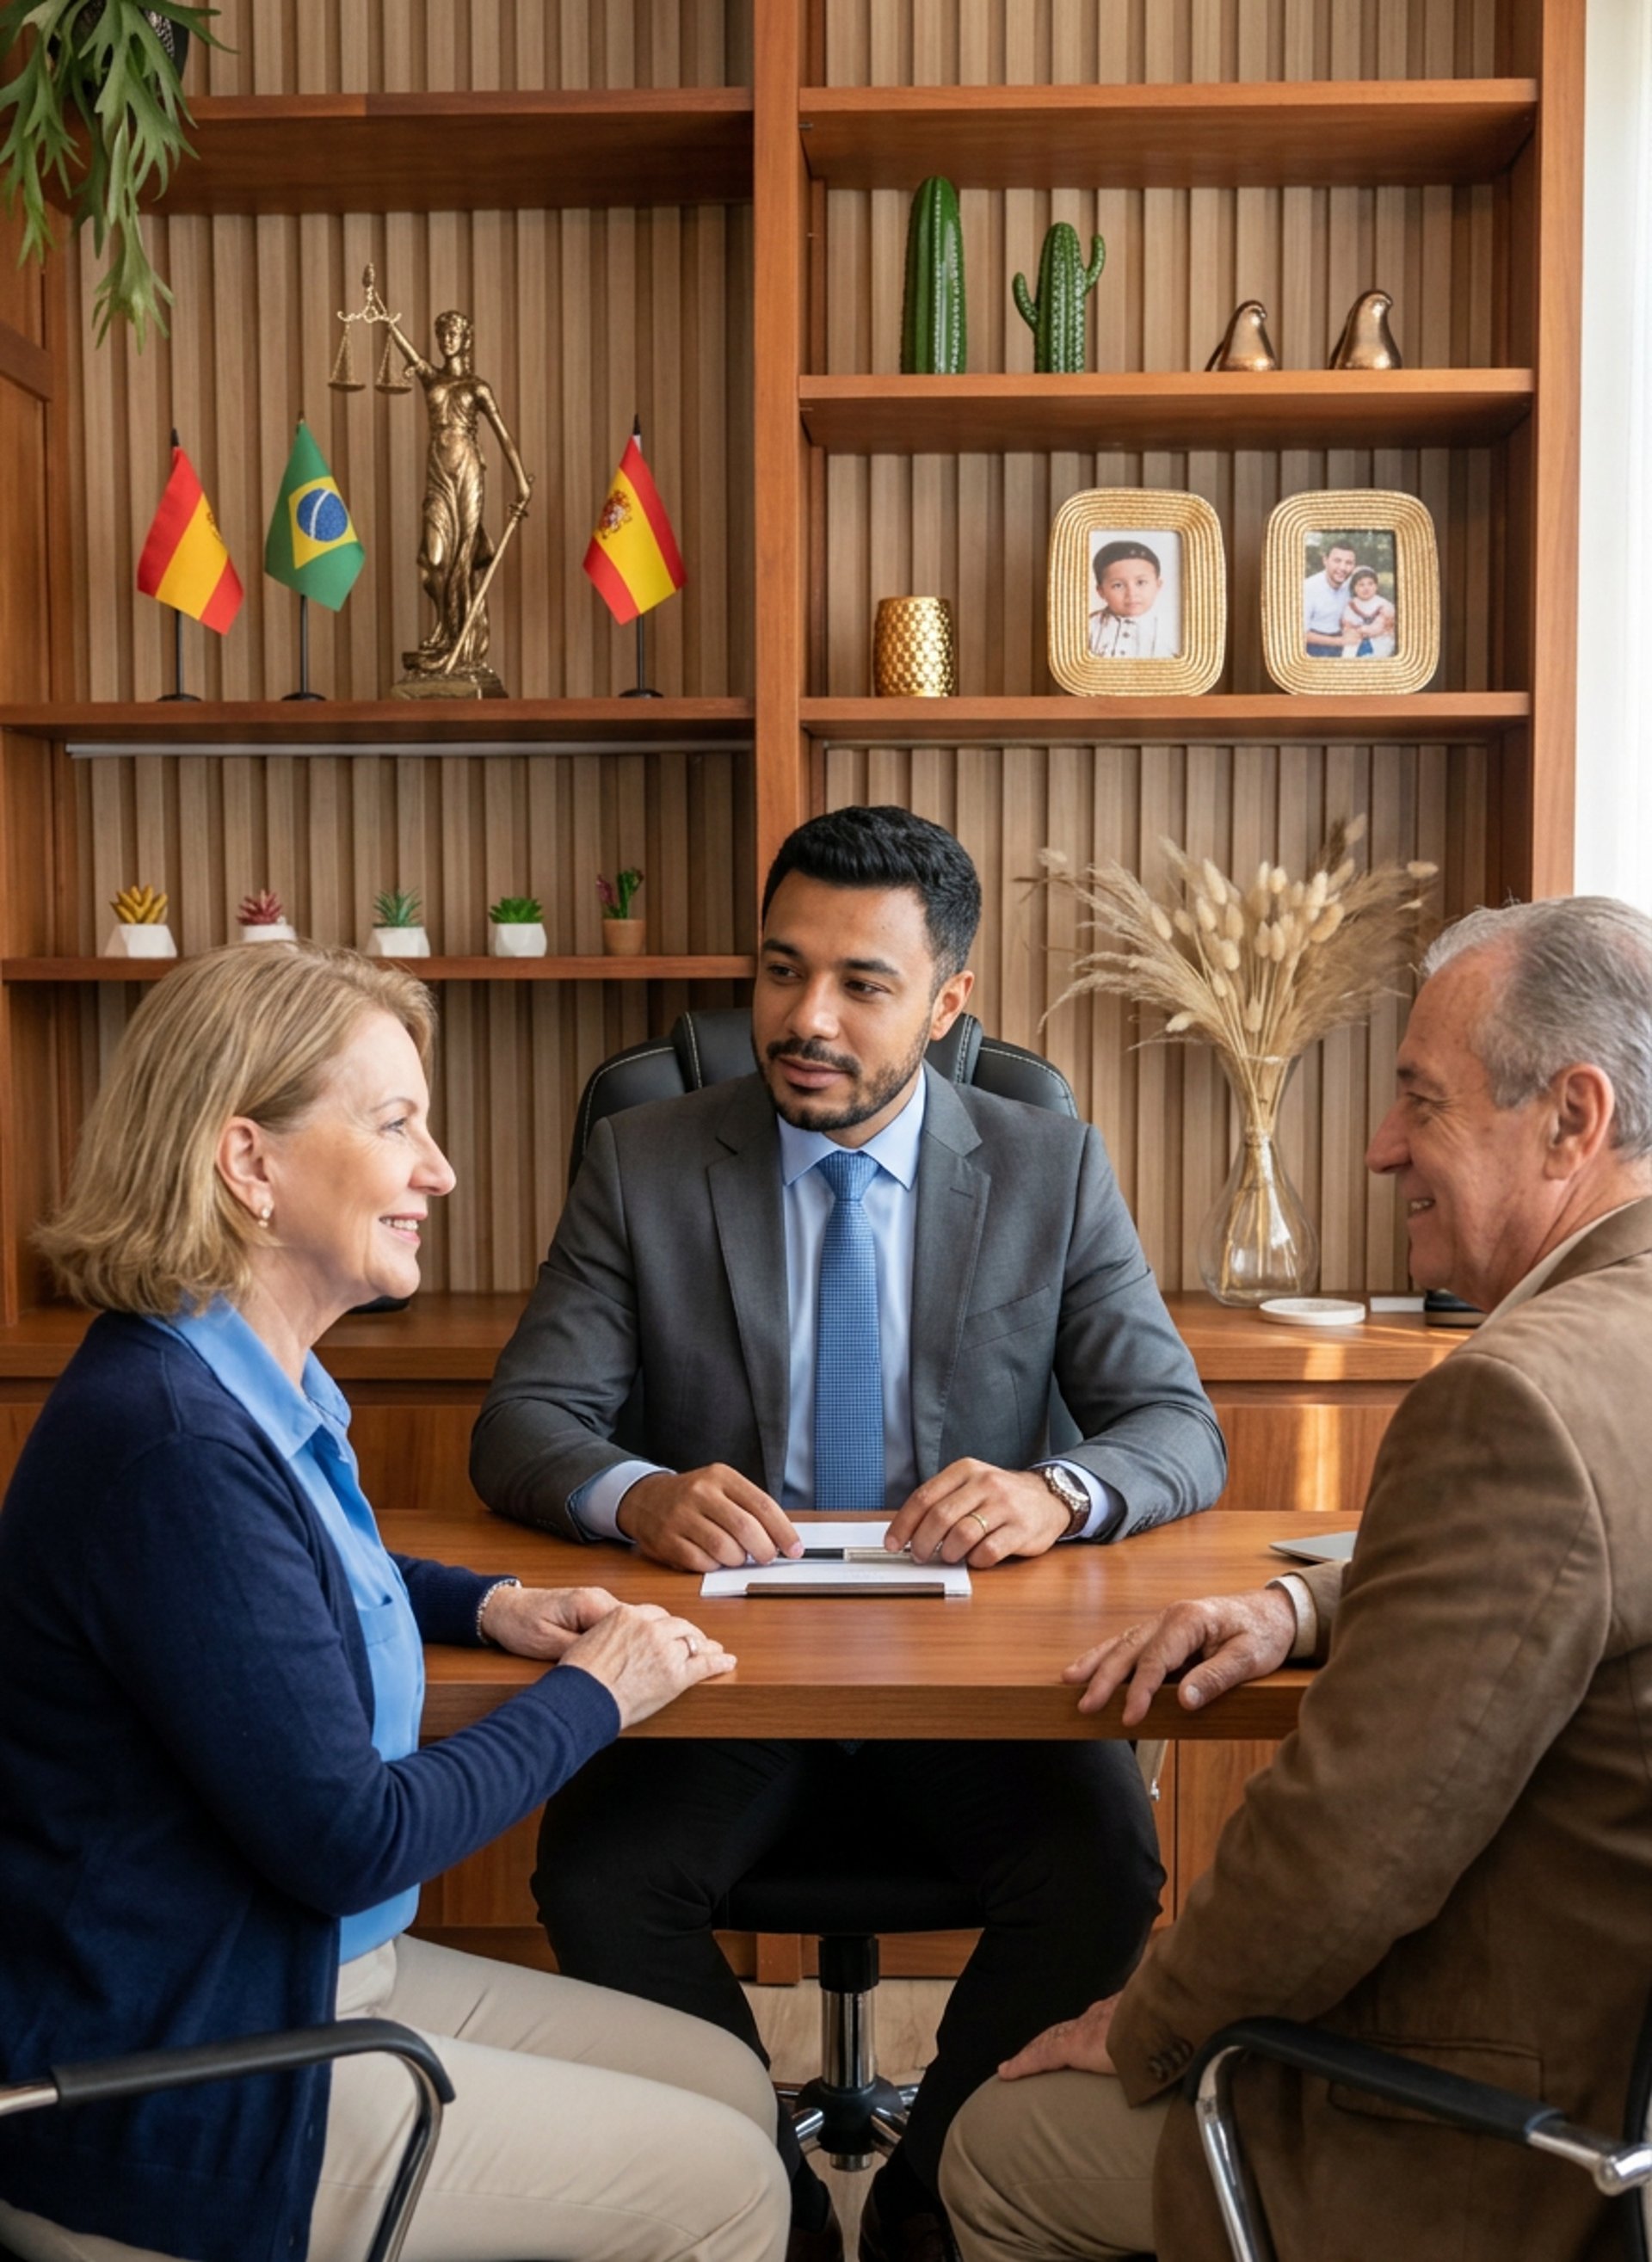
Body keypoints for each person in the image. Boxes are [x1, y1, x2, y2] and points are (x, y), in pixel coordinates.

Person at [471, 806, 1228, 2262]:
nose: (806, 1018)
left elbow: (1173, 1424)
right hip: (728, 1673)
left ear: (950, 1005)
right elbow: (525, 1418)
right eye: (779, 970)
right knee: (596, 1875)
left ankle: (936, 2192)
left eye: (862, 984)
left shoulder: (1048, 1164)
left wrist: (1050, 1491)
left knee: (1105, 1868)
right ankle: (763, 2196)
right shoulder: (645, 1157)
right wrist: (637, 1490)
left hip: (969, 1673)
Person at [0, 944, 789, 2262]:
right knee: (723, 2185)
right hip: (186, 2076)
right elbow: (355, 1838)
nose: (441, 1171)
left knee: (732, 2083)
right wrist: (597, 1696)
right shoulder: (176, 1443)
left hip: (289, 1969)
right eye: (395, 1125)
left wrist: (487, 1605)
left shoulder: (231, 1376)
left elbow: (267, 1584)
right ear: (248, 1164)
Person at [940, 895, 1652, 2262]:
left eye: (1420, 1103)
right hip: (1618, 2064)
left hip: (1507, 2128)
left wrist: (1144, 2026)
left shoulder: (1520, 1401)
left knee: (999, 2146)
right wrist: (1299, 1601)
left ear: (1572, 1116)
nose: (1383, 1150)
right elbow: (1573, 1572)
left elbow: (1346, 1860)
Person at [377, 299, 533, 691]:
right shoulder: (432, 379)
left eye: (454, 334)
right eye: (442, 334)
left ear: (467, 340)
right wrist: (381, 311)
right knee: (432, 561)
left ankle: (462, 650)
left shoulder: (476, 387)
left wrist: (521, 483)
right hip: (438, 474)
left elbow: (503, 436)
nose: (447, 339)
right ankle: (445, 634)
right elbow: (407, 348)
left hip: (467, 472)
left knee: (463, 559)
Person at [1087, 539, 1175, 657]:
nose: (1132, 594)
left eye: (1140, 582)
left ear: (1157, 586)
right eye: (1118, 585)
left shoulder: (1171, 629)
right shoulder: (1088, 626)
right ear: (1101, 591)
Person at [1301, 538, 1358, 657]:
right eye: (1337, 561)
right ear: (1325, 561)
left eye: (1349, 563)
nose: (1342, 568)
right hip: (1313, 646)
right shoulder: (1308, 588)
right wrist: (1340, 641)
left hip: (1343, 638)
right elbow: (1300, 634)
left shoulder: (1352, 584)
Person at [1340, 564, 1396, 658]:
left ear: (1376, 586)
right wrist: (1353, 632)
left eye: (1370, 584)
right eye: (1361, 585)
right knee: (1349, 652)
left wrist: (1363, 630)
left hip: (1380, 641)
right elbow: (1348, 628)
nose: (1366, 588)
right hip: (1357, 640)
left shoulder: (1384, 605)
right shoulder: (1351, 605)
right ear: (1354, 588)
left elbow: (1378, 628)